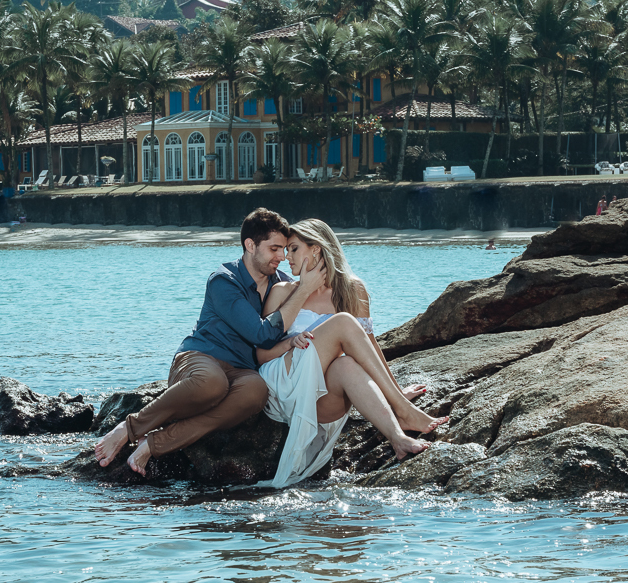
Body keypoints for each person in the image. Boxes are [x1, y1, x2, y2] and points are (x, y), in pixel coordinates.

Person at [93, 208, 328, 476]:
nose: (282, 257)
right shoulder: (224, 281)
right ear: (250, 245)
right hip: (200, 358)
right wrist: (304, 289)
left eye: (285, 249)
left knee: (257, 392)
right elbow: (261, 334)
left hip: (242, 371)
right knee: (212, 383)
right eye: (274, 249)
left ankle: (154, 443)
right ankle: (129, 428)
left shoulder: (283, 286)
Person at [254, 219, 446, 487]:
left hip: (320, 398)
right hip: (283, 384)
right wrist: (290, 341)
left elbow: (368, 345)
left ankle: (398, 438)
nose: (286, 257)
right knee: (343, 322)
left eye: (294, 249)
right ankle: (404, 411)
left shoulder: (352, 289)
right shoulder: (282, 291)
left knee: (346, 366)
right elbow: (261, 357)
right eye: (286, 250)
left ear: (317, 250)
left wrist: (395, 389)